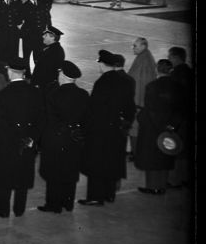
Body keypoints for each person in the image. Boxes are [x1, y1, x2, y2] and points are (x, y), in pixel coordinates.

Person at [0, 56, 43, 217]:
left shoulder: (4, 94)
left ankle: (2, 209)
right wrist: (31, 138)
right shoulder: (36, 92)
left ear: (10, 72)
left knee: (3, 176)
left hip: (7, 142)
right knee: (22, 175)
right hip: (27, 141)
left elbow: (4, 120)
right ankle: (19, 209)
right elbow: (40, 119)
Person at [79, 50, 136, 205]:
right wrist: (124, 124)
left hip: (100, 130)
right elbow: (130, 108)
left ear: (102, 64)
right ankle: (109, 194)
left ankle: (95, 197)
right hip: (116, 129)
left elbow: (94, 109)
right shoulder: (125, 81)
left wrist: (85, 128)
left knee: (96, 164)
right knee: (111, 162)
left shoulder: (102, 83)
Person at [37, 60, 89, 213]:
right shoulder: (83, 94)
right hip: (74, 139)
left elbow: (49, 120)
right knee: (70, 171)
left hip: (55, 138)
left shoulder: (54, 94)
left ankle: (53, 204)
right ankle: (68, 203)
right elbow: (86, 118)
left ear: (64, 76)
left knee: (54, 173)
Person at [134, 59, 183, 195]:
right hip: (170, 128)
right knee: (166, 155)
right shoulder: (178, 87)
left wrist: (141, 118)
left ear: (157, 70)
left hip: (152, 129)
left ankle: (153, 186)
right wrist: (171, 126)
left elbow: (150, 110)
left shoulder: (152, 86)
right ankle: (162, 185)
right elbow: (180, 109)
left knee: (152, 159)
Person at [166, 46, 192, 188]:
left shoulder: (175, 74)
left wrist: (172, 122)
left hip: (178, 119)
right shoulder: (189, 71)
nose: (169, 60)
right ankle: (184, 179)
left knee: (175, 149)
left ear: (176, 57)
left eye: (170, 57)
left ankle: (174, 181)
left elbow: (174, 100)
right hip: (187, 117)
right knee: (185, 150)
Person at [20, 0, 52, 77]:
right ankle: (28, 76)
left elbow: (47, 20)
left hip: (39, 37)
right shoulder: (24, 6)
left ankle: (38, 76)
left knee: (38, 58)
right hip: (28, 37)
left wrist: (48, 33)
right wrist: (23, 34)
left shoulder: (42, 5)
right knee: (26, 58)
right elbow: (20, 23)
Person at [30, 26, 65, 92]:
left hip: (44, 87)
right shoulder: (52, 49)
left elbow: (44, 73)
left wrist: (35, 85)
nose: (43, 36)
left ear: (52, 37)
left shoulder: (53, 52)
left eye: (46, 35)